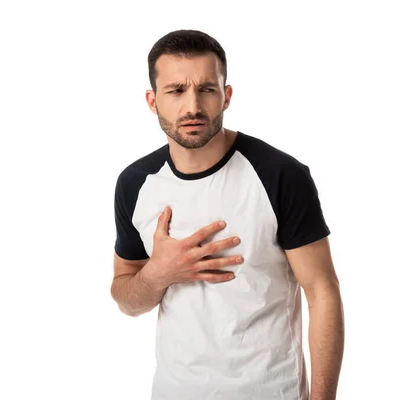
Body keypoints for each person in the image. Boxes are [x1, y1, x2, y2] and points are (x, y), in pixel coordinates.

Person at [110, 29, 344, 400]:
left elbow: (322, 292)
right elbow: (125, 296)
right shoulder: (135, 183)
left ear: (226, 96)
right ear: (152, 101)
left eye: (206, 89)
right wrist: (157, 274)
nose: (192, 107)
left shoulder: (279, 174)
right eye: (176, 91)